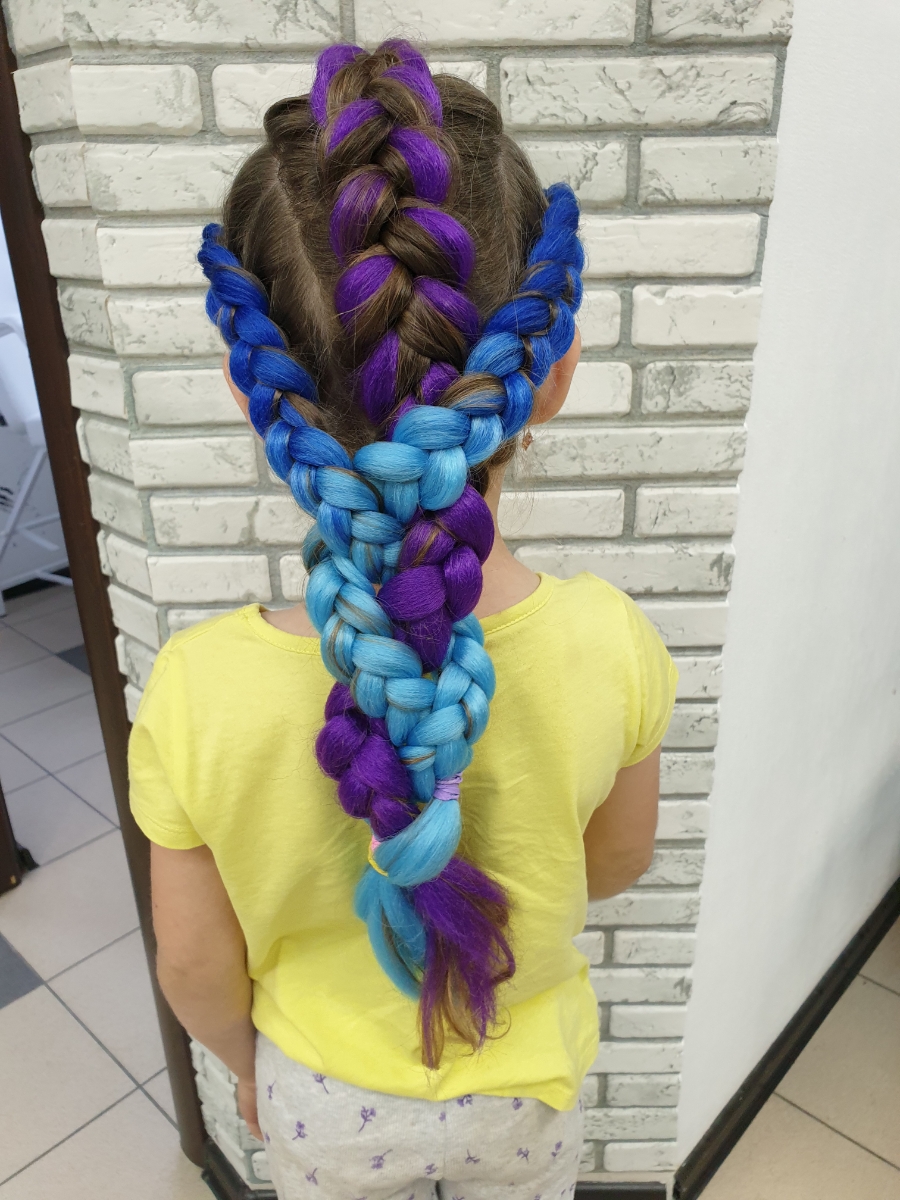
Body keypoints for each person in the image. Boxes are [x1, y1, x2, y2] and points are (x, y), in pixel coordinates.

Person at [130, 40, 677, 1200]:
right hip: (523, 1083)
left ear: (251, 395)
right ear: (554, 374)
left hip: (323, 1099)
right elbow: (619, 860)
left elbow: (193, 962)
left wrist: (248, 1073)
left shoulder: (193, 689)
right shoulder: (611, 642)